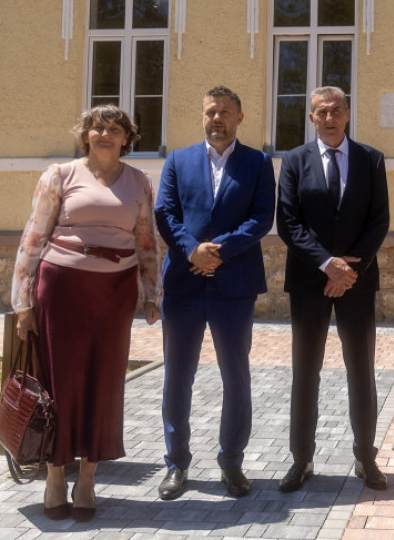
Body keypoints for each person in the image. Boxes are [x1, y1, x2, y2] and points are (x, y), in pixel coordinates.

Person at [11, 105, 161, 522]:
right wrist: (23, 303)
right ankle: (55, 476)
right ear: (85, 135)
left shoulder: (139, 181)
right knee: (61, 382)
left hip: (114, 294)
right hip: (61, 288)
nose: (105, 134)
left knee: (104, 383)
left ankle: (88, 480)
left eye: (114, 129)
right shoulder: (60, 175)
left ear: (127, 138)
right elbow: (33, 236)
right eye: (97, 128)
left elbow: (146, 240)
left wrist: (152, 293)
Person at [154, 86, 275, 501]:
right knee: (177, 377)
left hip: (234, 285)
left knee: (235, 376)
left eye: (224, 111)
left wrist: (217, 252)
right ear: (202, 116)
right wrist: (193, 251)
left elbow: (261, 218)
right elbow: (165, 213)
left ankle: (232, 461)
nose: (217, 118)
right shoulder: (178, 160)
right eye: (210, 111)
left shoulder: (258, 162)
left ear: (240, 117)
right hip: (184, 284)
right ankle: (176, 463)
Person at [276, 86, 390, 492]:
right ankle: (301, 460)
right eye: (321, 112)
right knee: (305, 371)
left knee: (361, 369)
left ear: (347, 114)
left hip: (357, 281)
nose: (329, 118)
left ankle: (366, 458)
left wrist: (348, 270)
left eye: (336, 110)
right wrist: (328, 265)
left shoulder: (371, 159)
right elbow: (288, 222)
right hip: (309, 281)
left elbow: (379, 220)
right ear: (311, 118)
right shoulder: (294, 160)